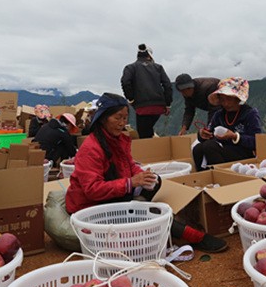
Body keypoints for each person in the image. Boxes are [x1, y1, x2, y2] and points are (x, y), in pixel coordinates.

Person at [61, 92, 227, 252]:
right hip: (90, 205)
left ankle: (147, 216)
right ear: (103, 118)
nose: (122, 123)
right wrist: (131, 182)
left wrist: (142, 175)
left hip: (110, 195)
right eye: (117, 117)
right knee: (148, 215)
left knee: (154, 182)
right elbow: (92, 189)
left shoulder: (117, 140)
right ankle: (193, 236)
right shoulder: (91, 149)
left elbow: (129, 165)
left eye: (125, 118)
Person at [192, 77, 262, 170]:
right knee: (198, 148)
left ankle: (221, 174)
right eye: (222, 100)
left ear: (237, 98)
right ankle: (203, 174)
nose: (225, 104)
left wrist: (235, 137)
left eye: (229, 99)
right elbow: (210, 133)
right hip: (222, 150)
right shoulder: (219, 115)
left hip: (243, 153)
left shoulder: (250, 114)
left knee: (209, 147)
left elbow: (256, 141)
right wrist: (203, 135)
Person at [120, 44, 172, 138]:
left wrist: (131, 99)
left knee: (144, 135)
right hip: (158, 106)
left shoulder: (130, 68)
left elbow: (125, 82)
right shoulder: (158, 67)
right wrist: (167, 104)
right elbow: (167, 85)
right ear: (149, 56)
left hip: (142, 107)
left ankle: (148, 146)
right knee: (148, 130)